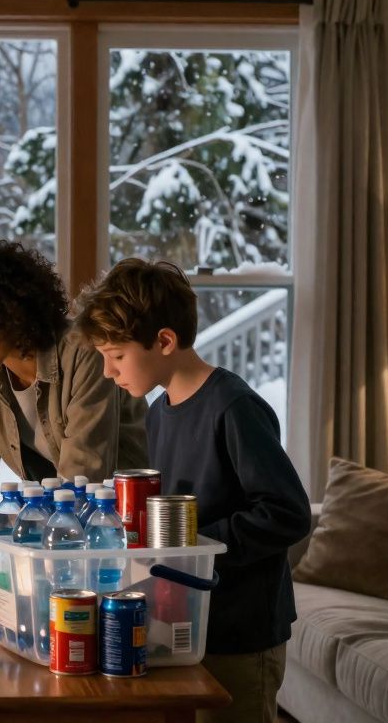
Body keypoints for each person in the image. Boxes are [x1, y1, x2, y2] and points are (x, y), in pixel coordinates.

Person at [73, 258, 311, 723]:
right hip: (188, 623)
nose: (107, 372)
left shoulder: (234, 407)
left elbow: (288, 513)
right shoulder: (158, 413)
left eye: (116, 356)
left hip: (242, 633)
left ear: (164, 341)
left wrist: (197, 544)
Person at [0, 239, 148, 578]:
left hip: (124, 533)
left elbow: (85, 473)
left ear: (13, 315)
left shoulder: (83, 351)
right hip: (62, 535)